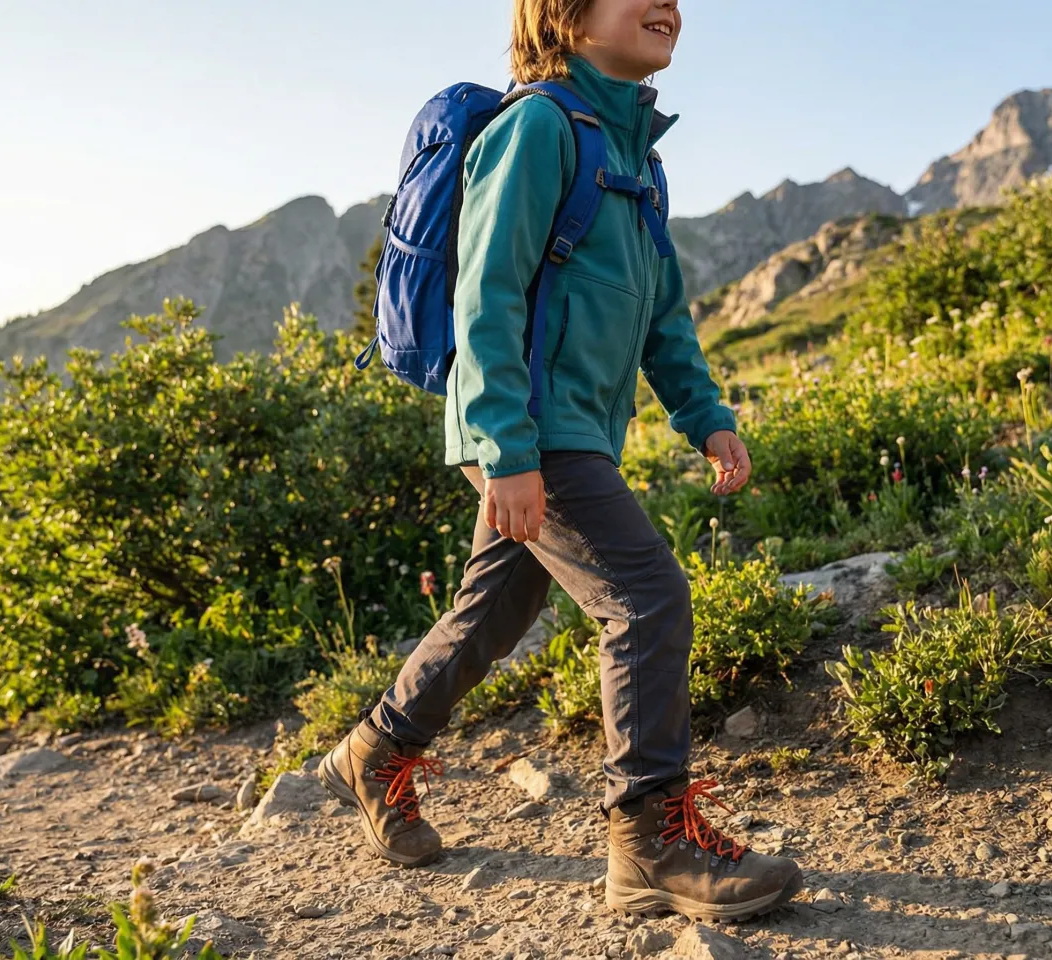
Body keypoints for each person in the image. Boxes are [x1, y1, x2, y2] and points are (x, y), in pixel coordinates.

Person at [319, 0, 804, 921]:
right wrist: (508, 447)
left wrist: (704, 414)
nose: (667, 4)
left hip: (569, 427)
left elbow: (660, 310)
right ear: (569, 19)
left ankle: (375, 752)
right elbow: (487, 289)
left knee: (500, 604)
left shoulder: (637, 157)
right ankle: (648, 841)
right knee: (646, 596)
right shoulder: (538, 125)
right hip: (528, 426)